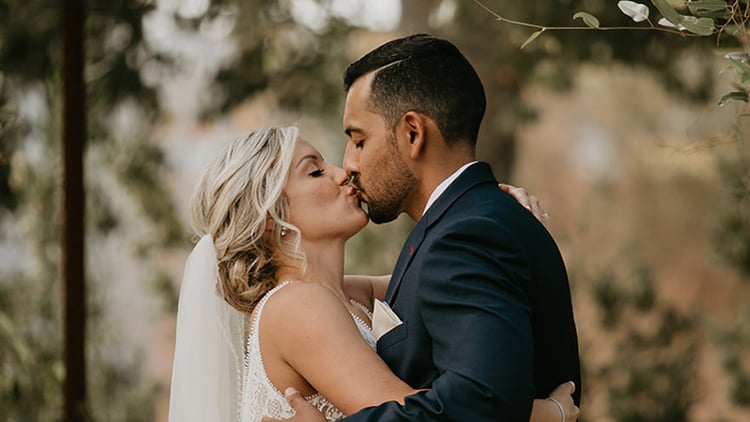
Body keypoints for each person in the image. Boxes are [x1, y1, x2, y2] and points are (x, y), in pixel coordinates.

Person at [167, 127, 579, 422]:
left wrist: (489, 206)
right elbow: (419, 416)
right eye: (315, 171)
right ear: (272, 217)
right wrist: (546, 413)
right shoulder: (297, 306)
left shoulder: (348, 295)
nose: (342, 172)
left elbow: (453, 265)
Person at [274, 34, 581, 421]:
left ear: (412, 134)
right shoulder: (470, 228)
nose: (348, 164)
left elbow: (481, 400)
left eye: (359, 140)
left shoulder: (467, 237)